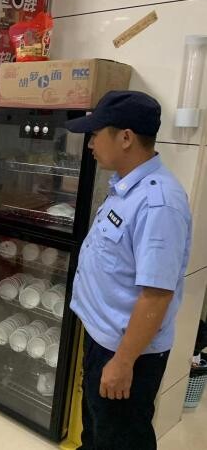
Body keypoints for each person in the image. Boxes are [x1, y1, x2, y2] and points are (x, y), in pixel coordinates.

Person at [66, 91, 192, 450]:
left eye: (96, 134)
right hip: (103, 338)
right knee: (96, 430)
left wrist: (123, 363)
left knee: (121, 439)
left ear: (125, 137)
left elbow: (157, 294)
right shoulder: (126, 187)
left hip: (126, 351)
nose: (90, 143)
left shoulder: (159, 204)